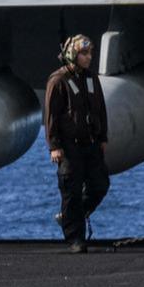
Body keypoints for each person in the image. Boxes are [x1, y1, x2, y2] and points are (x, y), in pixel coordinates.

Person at [44, 34, 110, 253]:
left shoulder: (91, 78)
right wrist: (54, 146)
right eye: (84, 53)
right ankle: (75, 239)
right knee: (71, 191)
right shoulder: (58, 80)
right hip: (69, 146)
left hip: (90, 144)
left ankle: (71, 217)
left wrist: (102, 138)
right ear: (73, 54)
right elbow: (52, 116)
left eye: (90, 53)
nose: (89, 57)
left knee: (100, 184)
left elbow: (100, 109)